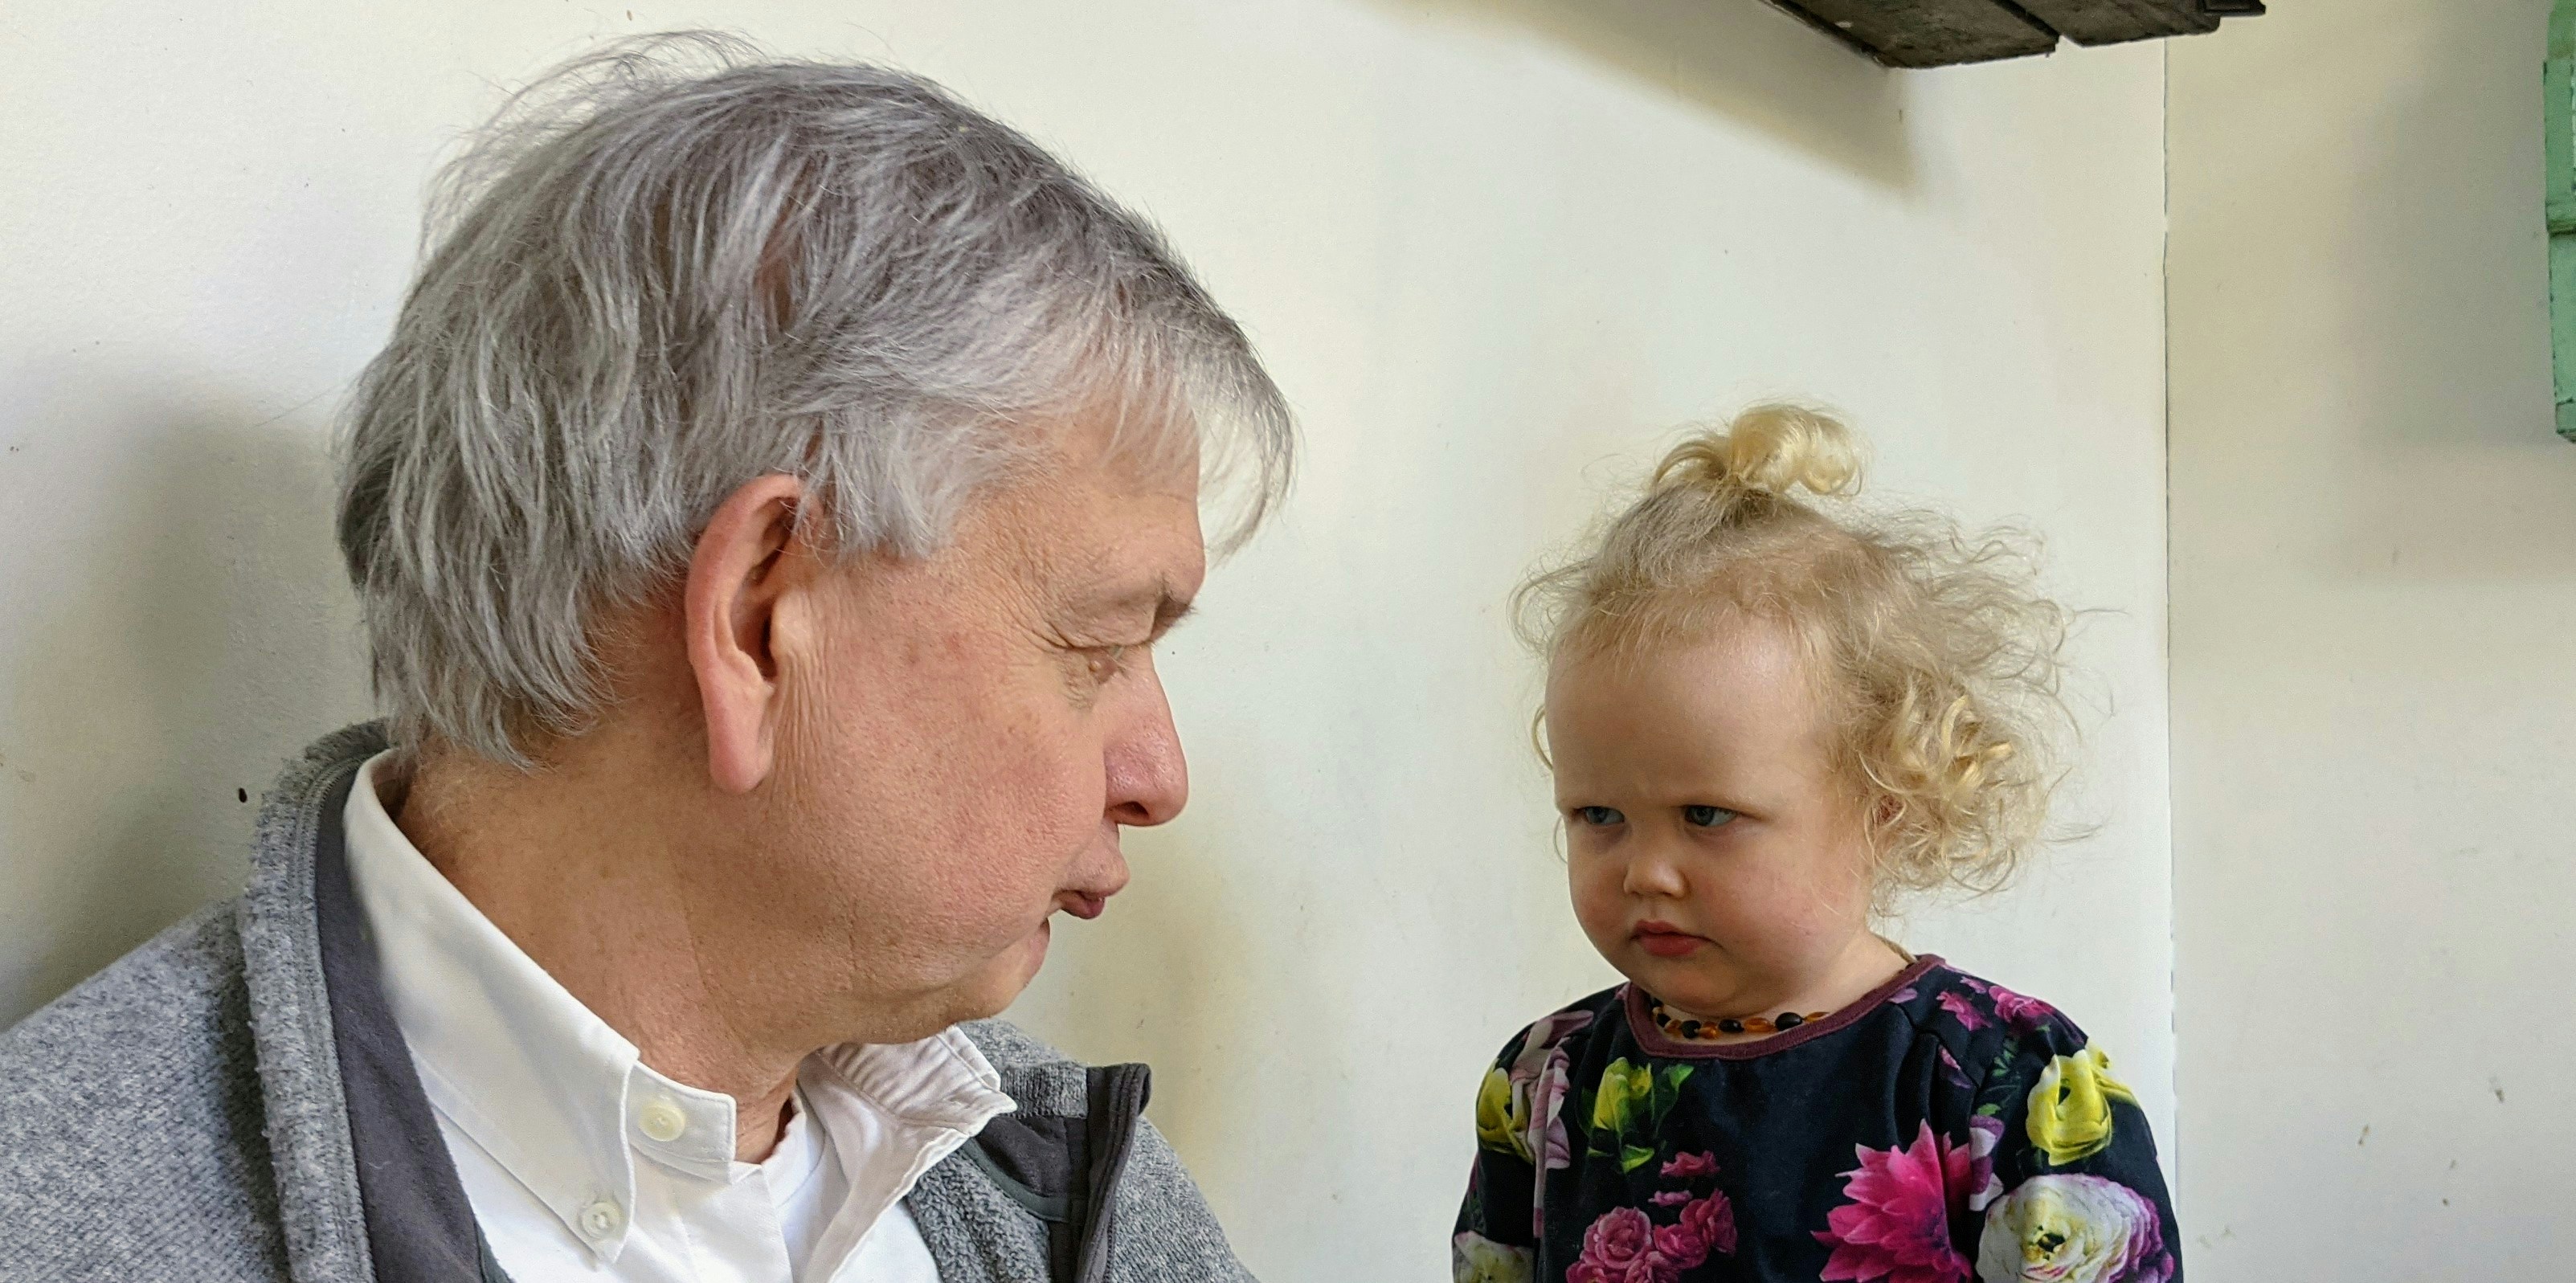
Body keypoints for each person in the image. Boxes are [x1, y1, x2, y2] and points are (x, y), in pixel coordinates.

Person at [0, 32, 1291, 1283]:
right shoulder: (60, 1222)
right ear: (752, 623)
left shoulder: (1067, 1182)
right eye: (1101, 643)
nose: (1158, 774)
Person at [1451, 407, 2177, 1283]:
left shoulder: (2009, 1086)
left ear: (1887, 801)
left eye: (1706, 815)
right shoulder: (1544, 1085)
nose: (1644, 870)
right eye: (1597, 815)